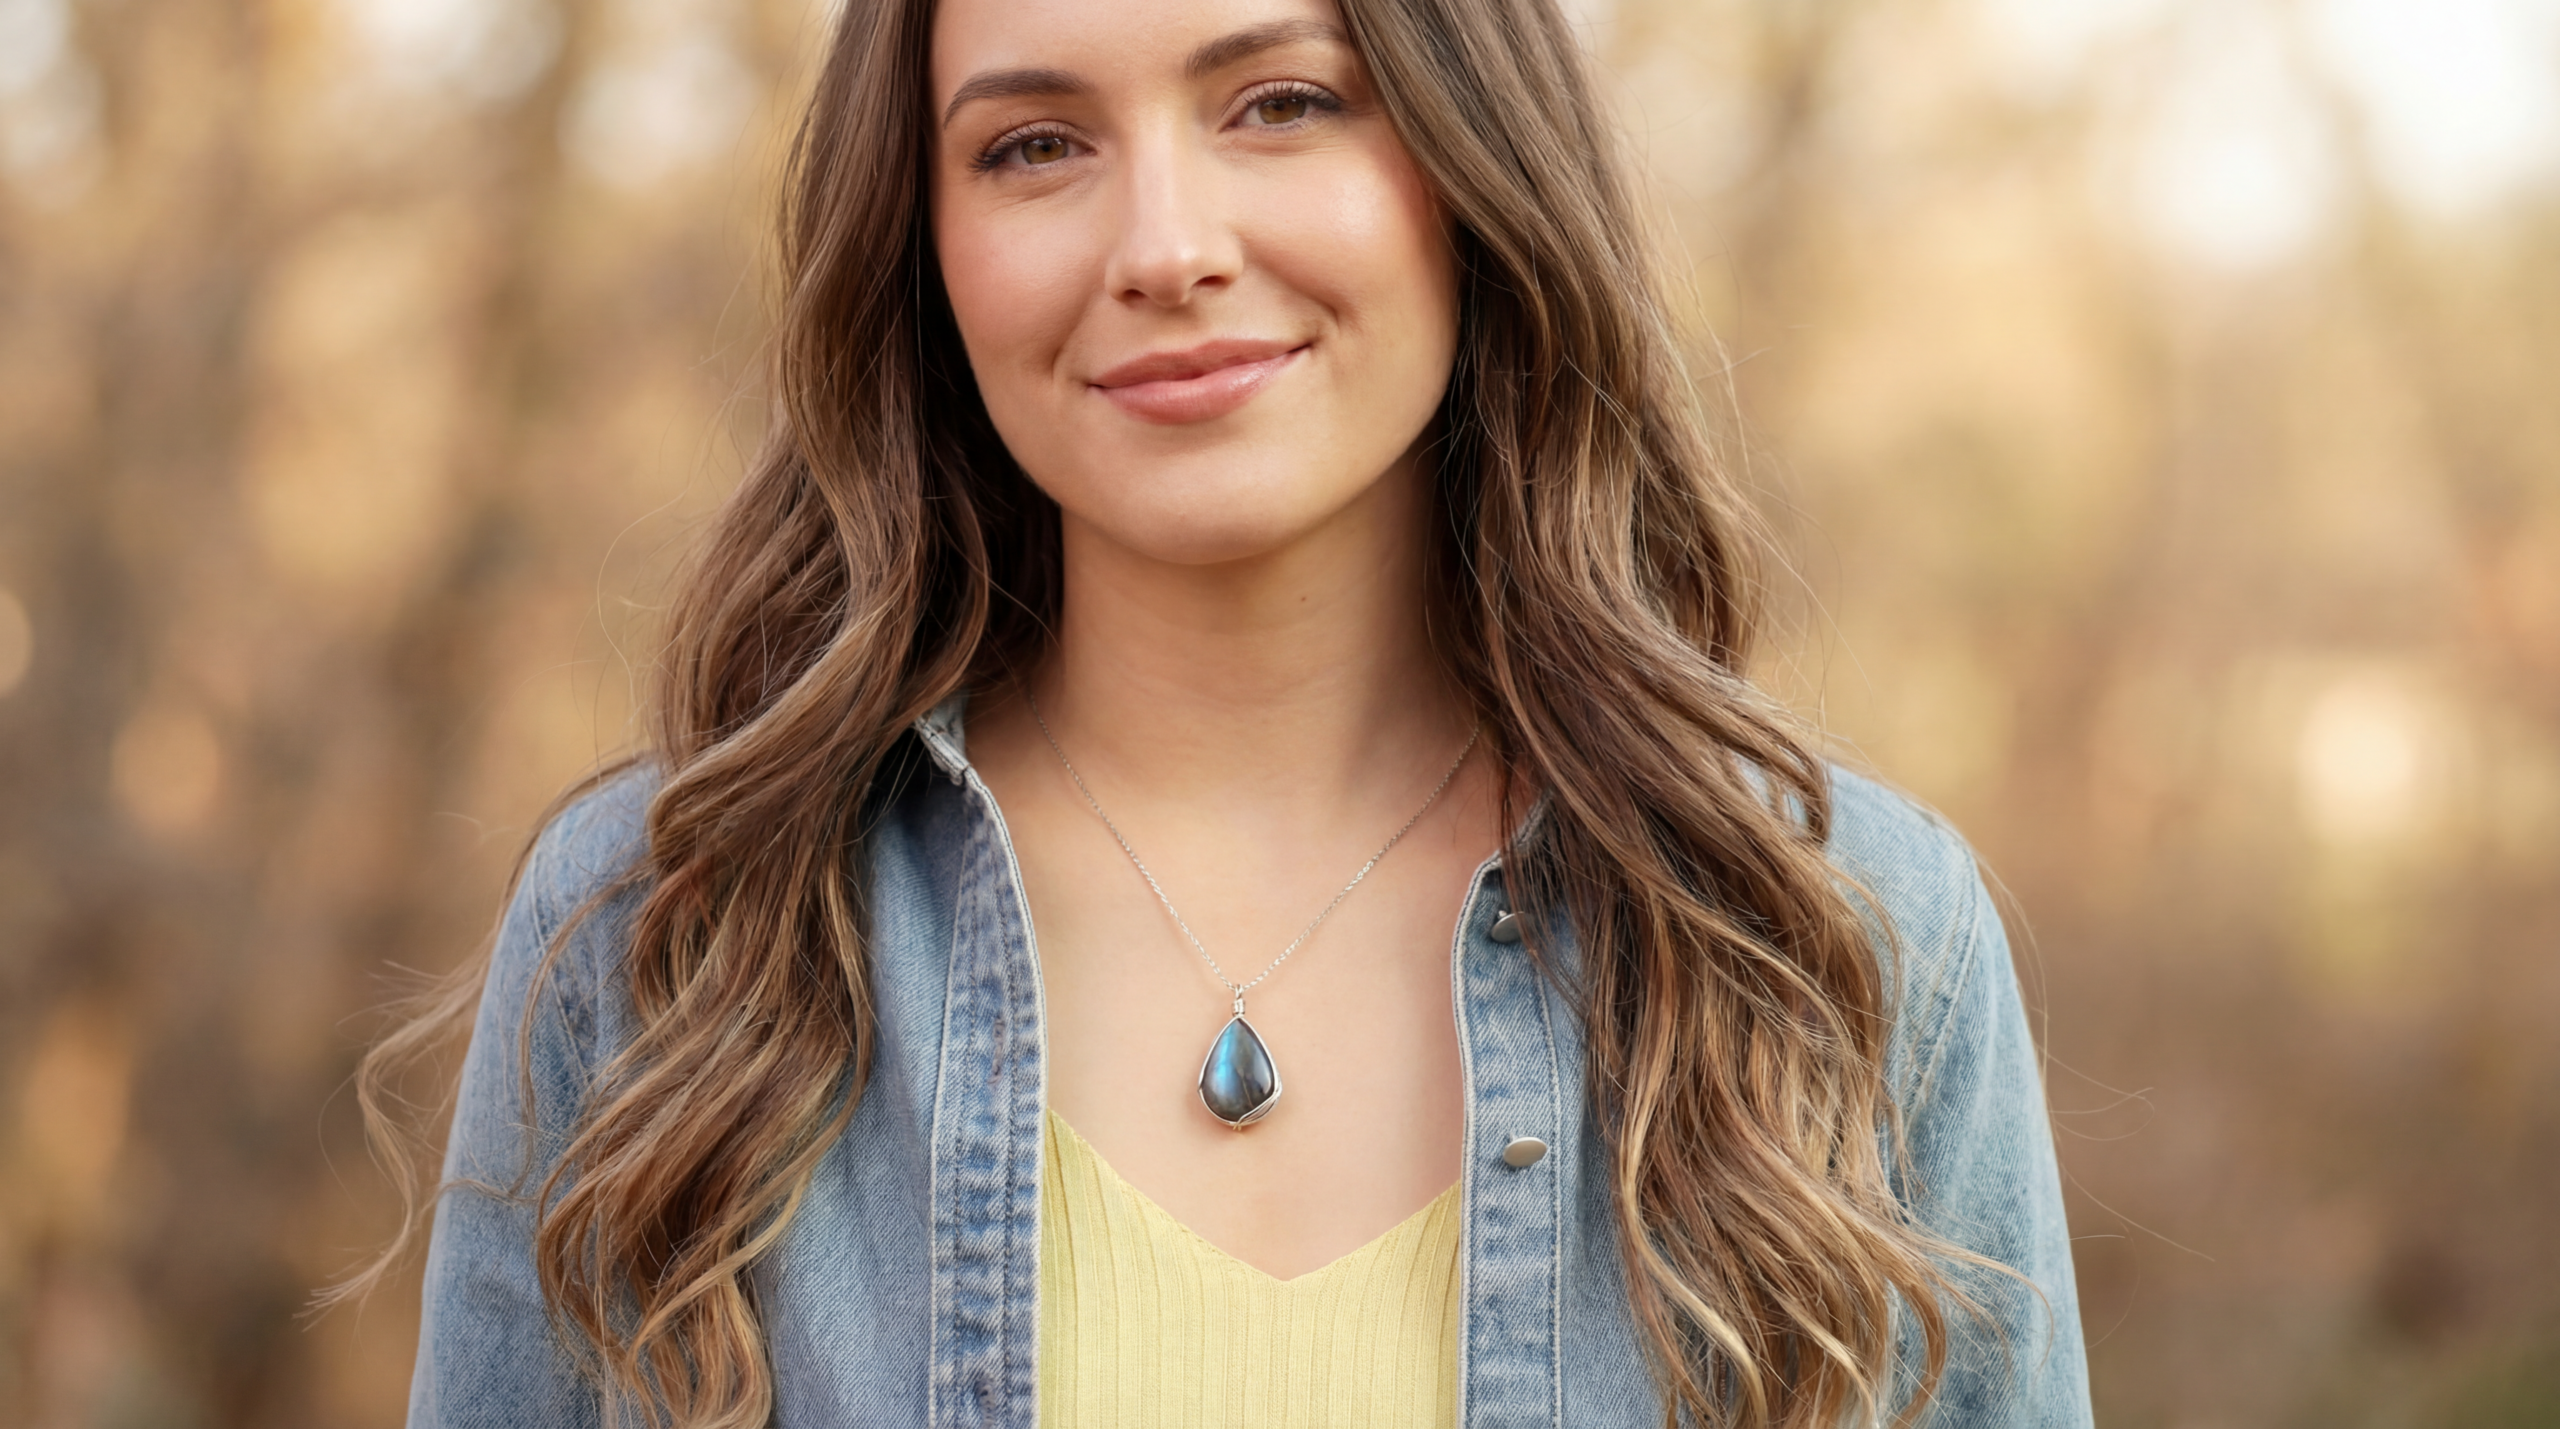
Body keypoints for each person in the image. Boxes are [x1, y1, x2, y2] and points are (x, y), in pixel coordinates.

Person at [365, 0, 2093, 1422]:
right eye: (1034, 144)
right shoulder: (669, 941)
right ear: (923, 241)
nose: (1167, 247)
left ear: (1473, 158)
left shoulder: (1840, 948)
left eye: (1279, 101)